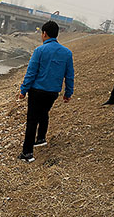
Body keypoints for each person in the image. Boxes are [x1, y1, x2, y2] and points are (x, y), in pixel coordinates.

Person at [17, 21, 74, 163]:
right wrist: (68, 93)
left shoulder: (39, 51)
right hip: (53, 92)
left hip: (36, 91)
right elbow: (70, 75)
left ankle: (27, 153)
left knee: (32, 120)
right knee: (44, 112)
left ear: (44, 34)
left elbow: (31, 72)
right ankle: (41, 138)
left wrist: (23, 90)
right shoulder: (67, 53)